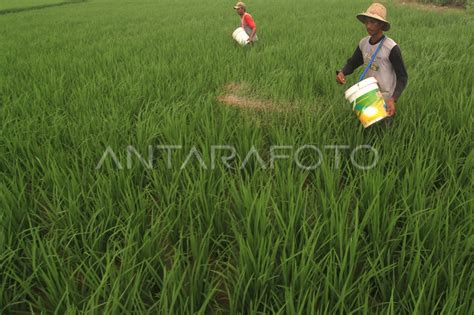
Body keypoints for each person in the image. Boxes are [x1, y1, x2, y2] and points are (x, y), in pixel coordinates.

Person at [336, 3, 408, 117]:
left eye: (373, 22)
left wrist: (393, 99)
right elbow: (354, 62)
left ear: (381, 25)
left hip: (385, 97)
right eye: (367, 22)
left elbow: (403, 76)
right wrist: (342, 72)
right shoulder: (363, 43)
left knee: (385, 130)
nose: (368, 26)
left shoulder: (391, 48)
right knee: (367, 127)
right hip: (368, 94)